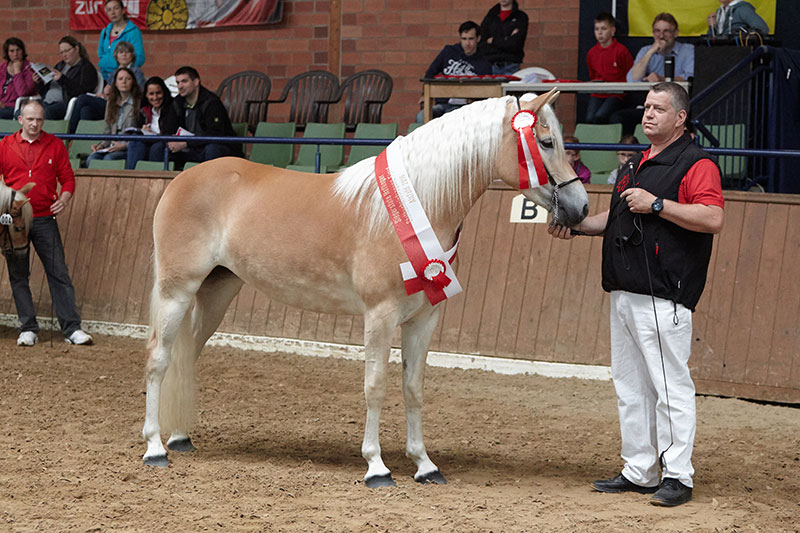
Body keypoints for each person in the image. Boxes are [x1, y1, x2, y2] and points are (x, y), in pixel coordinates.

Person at [549, 82, 724, 507]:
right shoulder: (636, 163)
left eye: (658, 108)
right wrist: (576, 226)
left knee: (669, 387)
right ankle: (639, 469)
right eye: (646, 107)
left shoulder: (696, 163)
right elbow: (613, 218)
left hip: (664, 293)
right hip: (624, 290)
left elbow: (712, 217)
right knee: (630, 386)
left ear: (680, 118)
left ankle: (678, 475)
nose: (647, 114)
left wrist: (658, 204)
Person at [0, 99, 93, 346]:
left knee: (58, 272)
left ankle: (72, 329)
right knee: (18, 274)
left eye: (39, 119)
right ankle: (28, 328)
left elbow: (68, 178)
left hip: (44, 218)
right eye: (30, 119)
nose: (35, 124)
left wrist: (64, 198)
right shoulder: (4, 145)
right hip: (15, 221)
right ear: (20, 119)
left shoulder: (55, 145)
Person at [610, 13, 694, 134]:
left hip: (676, 107)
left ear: (676, 33)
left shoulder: (687, 50)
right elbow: (632, 79)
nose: (661, 36)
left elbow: (690, 78)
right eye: (657, 31)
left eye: (666, 31)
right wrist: (652, 51)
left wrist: (661, 80)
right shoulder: (646, 50)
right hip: (650, 107)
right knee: (618, 117)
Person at [415, 21, 492, 122]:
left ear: (478, 38)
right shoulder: (449, 51)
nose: (467, 43)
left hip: (465, 108)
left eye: (471, 39)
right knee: (421, 116)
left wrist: (474, 99)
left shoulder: (484, 61)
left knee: (452, 118)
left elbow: (487, 90)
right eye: (464, 39)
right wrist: (424, 94)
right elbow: (430, 73)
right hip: (443, 104)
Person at [167, 66, 241, 167]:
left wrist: (186, 143)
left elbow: (215, 134)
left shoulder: (212, 103)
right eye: (178, 82)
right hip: (189, 148)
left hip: (214, 147)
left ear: (196, 82)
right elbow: (170, 129)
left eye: (184, 81)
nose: (180, 86)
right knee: (159, 148)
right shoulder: (176, 102)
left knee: (212, 149)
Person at [68, 40, 145, 134]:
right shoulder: (113, 72)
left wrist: (113, 92)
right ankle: (84, 139)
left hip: (124, 105)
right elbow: (108, 91)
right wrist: (103, 94)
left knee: (82, 99)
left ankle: (70, 133)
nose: (124, 55)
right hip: (109, 102)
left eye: (127, 52)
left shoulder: (137, 72)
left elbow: (138, 92)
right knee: (86, 110)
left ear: (132, 55)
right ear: (116, 55)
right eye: (121, 52)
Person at [86, 67, 141, 166]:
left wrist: (124, 146)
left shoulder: (138, 102)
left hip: (127, 148)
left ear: (133, 82)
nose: (124, 82)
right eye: (120, 79)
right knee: (92, 158)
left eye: (128, 79)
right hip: (111, 145)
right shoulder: (111, 102)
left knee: (109, 159)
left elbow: (140, 132)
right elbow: (107, 131)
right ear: (115, 83)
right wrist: (101, 145)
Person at [34, 36, 99, 120]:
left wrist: (62, 79)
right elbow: (46, 90)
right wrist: (39, 83)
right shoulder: (60, 65)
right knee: (23, 110)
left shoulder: (86, 68)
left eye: (67, 51)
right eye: (61, 52)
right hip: (47, 101)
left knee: (48, 112)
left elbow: (82, 92)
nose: (64, 55)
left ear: (76, 49)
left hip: (66, 103)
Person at [585, 12, 633, 124]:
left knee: (600, 117)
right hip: (597, 93)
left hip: (616, 93)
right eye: (597, 29)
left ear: (612, 30)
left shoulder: (621, 50)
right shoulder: (591, 53)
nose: (600, 33)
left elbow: (630, 73)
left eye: (603, 29)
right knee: (589, 119)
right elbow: (592, 75)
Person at [126, 76, 179, 170]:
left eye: (158, 93)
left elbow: (171, 132)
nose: (155, 97)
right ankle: (131, 174)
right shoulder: (143, 110)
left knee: (156, 148)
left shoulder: (173, 108)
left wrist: (154, 135)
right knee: (135, 140)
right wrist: (143, 130)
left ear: (164, 92)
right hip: (147, 143)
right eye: (151, 94)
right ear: (146, 95)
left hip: (166, 145)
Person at [97, 0, 145, 82]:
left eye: (116, 8)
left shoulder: (133, 31)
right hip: (104, 76)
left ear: (123, 10)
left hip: (123, 78)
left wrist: (125, 72)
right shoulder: (105, 31)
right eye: (109, 10)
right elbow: (101, 54)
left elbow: (139, 57)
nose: (113, 12)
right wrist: (105, 62)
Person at [479, 0, 528, 75]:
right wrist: (506, 40)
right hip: (490, 66)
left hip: (511, 66)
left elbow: (515, 44)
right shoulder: (490, 16)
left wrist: (493, 41)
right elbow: (482, 43)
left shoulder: (520, 17)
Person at [0, 37, 36, 119]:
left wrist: (17, 72)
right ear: (7, 53)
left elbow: (22, 93)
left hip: (17, 107)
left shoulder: (29, 68)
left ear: (22, 51)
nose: (15, 54)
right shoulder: (2, 68)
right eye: (12, 51)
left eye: (18, 50)